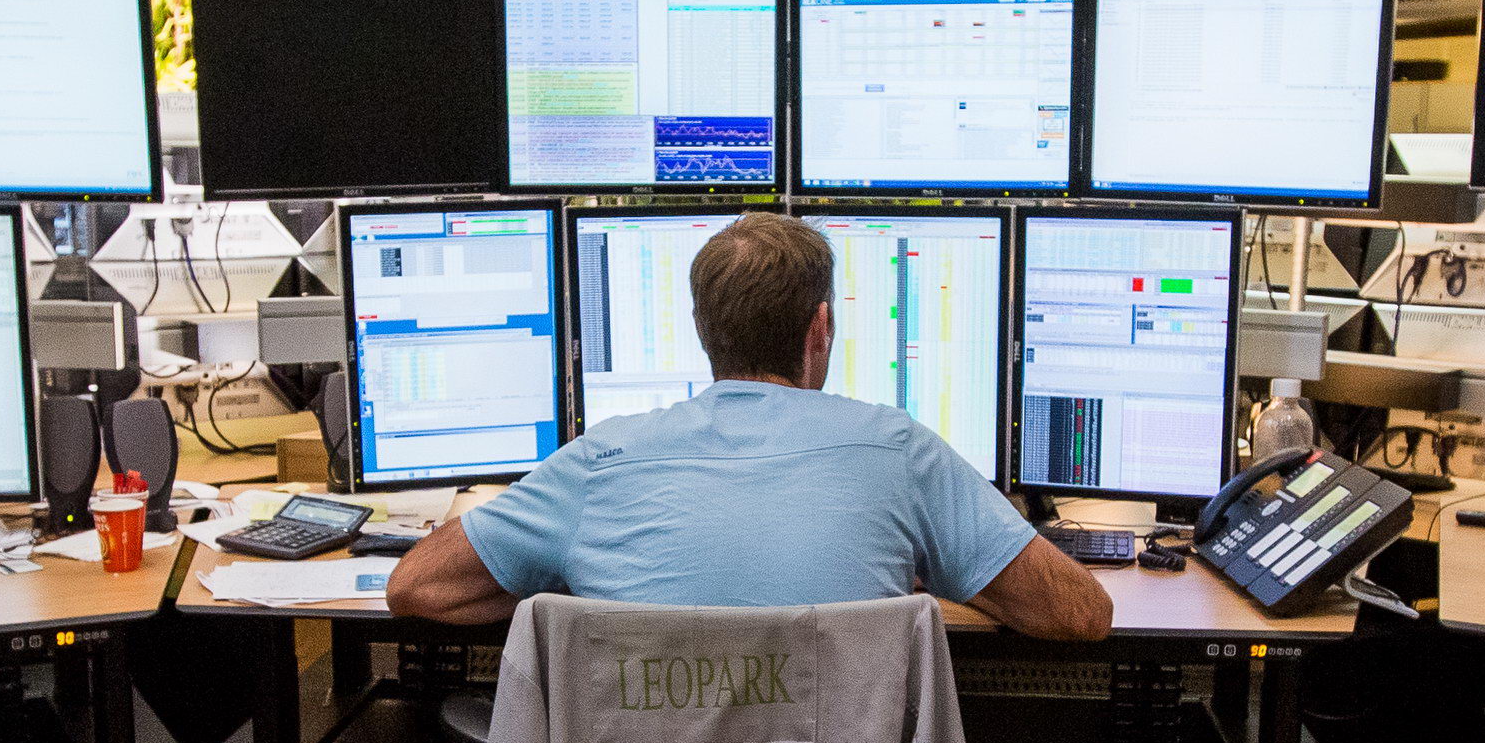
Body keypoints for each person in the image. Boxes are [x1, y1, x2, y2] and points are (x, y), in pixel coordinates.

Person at [385, 211, 1114, 640]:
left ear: (702, 330)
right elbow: (1082, 615)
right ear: (820, 329)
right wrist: (946, 567)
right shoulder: (900, 454)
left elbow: (415, 586)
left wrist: (574, 578)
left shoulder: (599, 464)